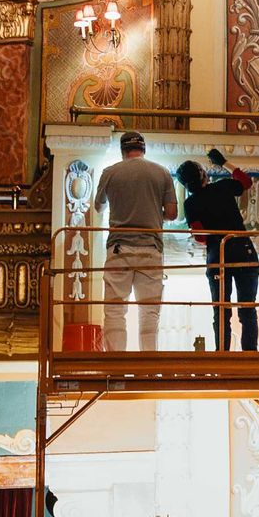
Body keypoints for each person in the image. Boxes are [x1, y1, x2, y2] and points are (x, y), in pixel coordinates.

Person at [95, 130, 176, 352]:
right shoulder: (161, 173)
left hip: (119, 248)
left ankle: (116, 366)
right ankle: (147, 365)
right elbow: (171, 213)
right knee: (149, 311)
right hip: (150, 248)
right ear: (144, 149)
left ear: (123, 151)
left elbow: (98, 206)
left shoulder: (110, 172)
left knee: (115, 309)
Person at [176, 147, 258, 351]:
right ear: (203, 174)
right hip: (242, 249)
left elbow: (201, 236)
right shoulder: (222, 187)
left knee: (221, 310)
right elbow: (246, 182)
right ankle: (250, 355)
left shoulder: (190, 203)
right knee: (247, 308)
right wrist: (224, 162)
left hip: (218, 254)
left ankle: (223, 352)